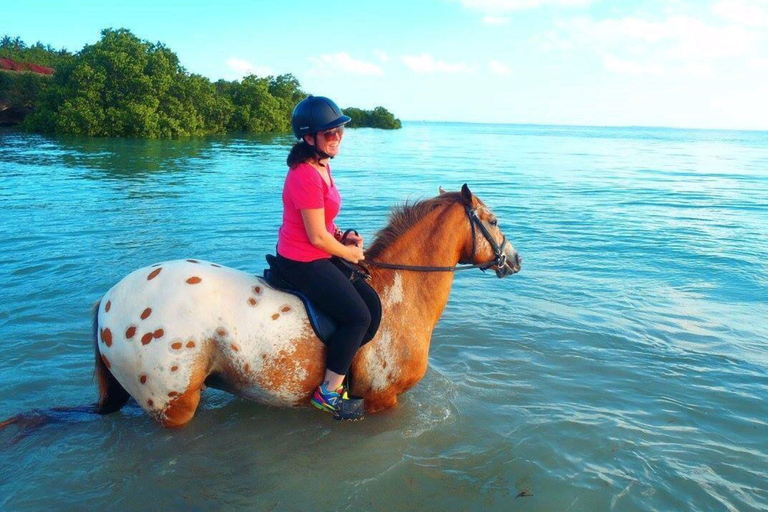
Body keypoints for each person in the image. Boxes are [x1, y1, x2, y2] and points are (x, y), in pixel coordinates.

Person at [275, 95, 378, 417]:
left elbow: (324, 227)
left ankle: (337, 362)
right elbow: (315, 236)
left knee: (373, 307)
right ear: (310, 138)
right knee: (357, 317)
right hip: (301, 259)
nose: (338, 139)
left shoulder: (322, 166)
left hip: (318, 249)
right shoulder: (304, 174)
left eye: (340, 131)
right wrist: (348, 252)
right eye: (330, 133)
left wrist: (341, 236)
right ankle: (328, 393)